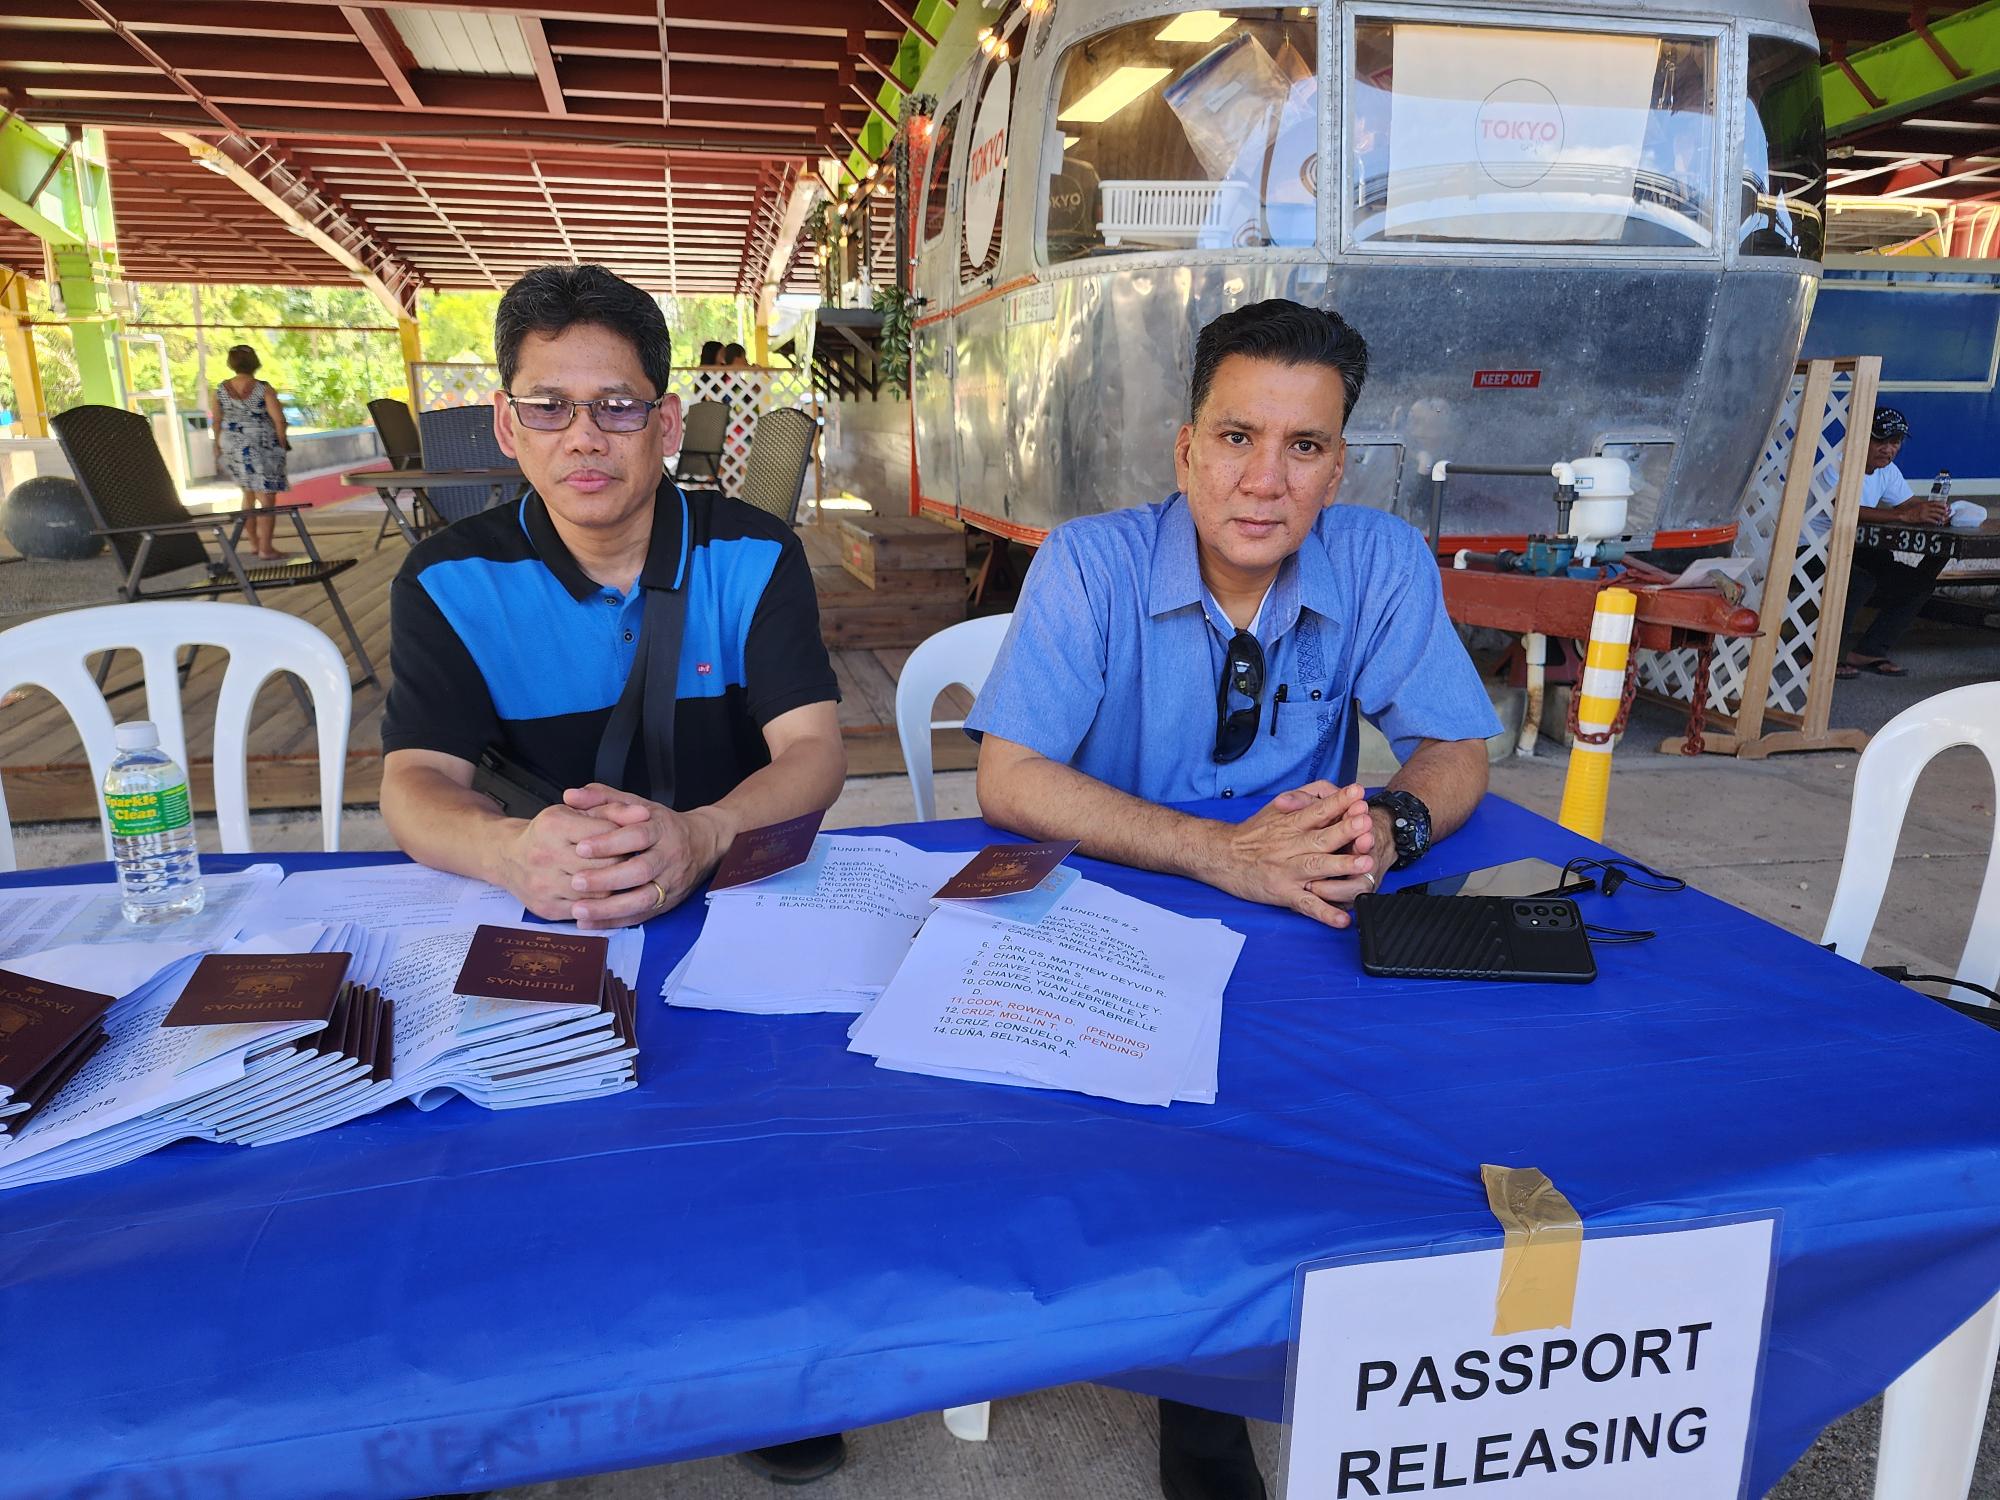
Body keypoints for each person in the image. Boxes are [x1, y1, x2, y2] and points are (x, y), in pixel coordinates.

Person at [968, 298, 1500, 1500]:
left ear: (1338, 464)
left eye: (1303, 447)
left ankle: (1301, 1324)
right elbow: (1006, 778)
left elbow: (1454, 749)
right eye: (1235, 437)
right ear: (1184, 447)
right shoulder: (1090, 561)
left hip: (1294, 921)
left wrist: (1385, 827)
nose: (1264, 480)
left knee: (1422, 1103)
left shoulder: (1376, 559)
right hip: (1106, 916)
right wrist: (1221, 853)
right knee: (1142, 1142)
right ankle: (1198, 1391)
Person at [379, 263, 846, 951]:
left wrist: (703, 833)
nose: (583, 437)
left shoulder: (756, 555)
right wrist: (509, 853)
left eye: (618, 406)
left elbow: (814, 751)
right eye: (547, 406)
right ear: (508, 425)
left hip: (735, 900)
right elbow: (413, 781)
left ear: (666, 423)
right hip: (543, 919)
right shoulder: (448, 581)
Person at [1836, 407, 1950, 678]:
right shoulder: (1837, 463)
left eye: (1895, 442)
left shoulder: (1887, 471)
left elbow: (1910, 503)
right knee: (1860, 580)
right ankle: (1820, 654)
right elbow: (1843, 508)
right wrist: (1906, 515)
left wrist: (1934, 511)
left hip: (1856, 549)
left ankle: (1869, 650)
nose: (1888, 449)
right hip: (1814, 552)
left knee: (1918, 582)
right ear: (1862, 437)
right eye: (1881, 440)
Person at [209, 344, 290, 561]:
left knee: (248, 494)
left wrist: (217, 444)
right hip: (261, 443)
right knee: (267, 497)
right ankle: (266, 547)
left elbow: (217, 421)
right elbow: (278, 419)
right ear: (254, 363)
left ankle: (254, 544)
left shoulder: (220, 390)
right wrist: (281, 440)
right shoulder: (263, 389)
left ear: (231, 364)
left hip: (232, 443)